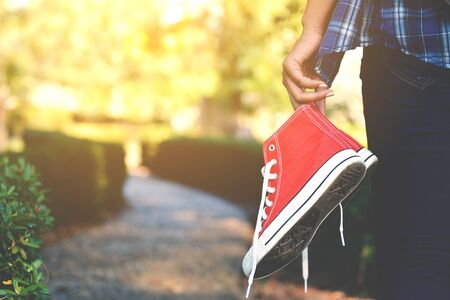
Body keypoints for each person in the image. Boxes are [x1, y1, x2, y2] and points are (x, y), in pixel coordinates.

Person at [282, 0, 450, 299]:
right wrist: (313, 31)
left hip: (413, 56)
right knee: (413, 260)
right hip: (414, 59)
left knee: (415, 261)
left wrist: (314, 30)